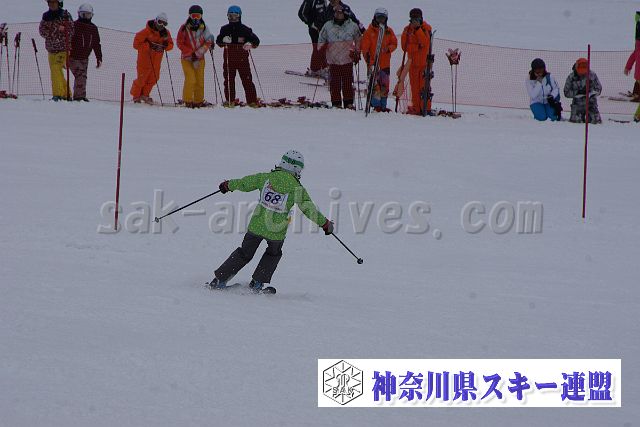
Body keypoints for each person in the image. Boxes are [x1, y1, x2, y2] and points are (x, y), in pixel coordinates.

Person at [208, 151, 333, 293]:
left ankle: (220, 279)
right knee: (273, 254)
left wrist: (228, 185)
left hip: (256, 226)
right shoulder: (297, 189)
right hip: (276, 232)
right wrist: (325, 223)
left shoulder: (265, 178)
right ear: (297, 169)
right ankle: (257, 283)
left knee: (244, 253)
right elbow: (308, 209)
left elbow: (245, 183)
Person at [216, 5, 260, 107]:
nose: (233, 18)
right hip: (229, 60)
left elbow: (256, 41)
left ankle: (252, 101)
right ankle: (230, 100)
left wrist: (250, 44)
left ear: (239, 16)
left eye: (235, 16)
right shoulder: (224, 29)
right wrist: (223, 41)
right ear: (227, 16)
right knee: (228, 81)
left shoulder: (245, 30)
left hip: (242, 60)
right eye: (230, 16)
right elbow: (218, 41)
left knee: (247, 80)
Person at [318, 5, 361, 108]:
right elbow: (321, 39)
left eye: (340, 12)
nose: (337, 14)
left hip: (347, 60)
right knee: (334, 84)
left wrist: (357, 51)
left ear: (345, 14)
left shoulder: (353, 26)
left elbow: (358, 39)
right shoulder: (328, 25)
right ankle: (336, 104)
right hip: (333, 60)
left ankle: (349, 104)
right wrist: (322, 49)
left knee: (347, 83)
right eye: (336, 12)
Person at [131, 13, 174, 104]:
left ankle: (145, 95)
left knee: (153, 79)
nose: (161, 25)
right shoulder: (145, 32)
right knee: (141, 79)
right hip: (144, 61)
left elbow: (171, 45)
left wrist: (166, 45)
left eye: (164, 23)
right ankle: (136, 96)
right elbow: (136, 44)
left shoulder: (166, 33)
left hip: (156, 62)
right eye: (160, 22)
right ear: (155, 21)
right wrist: (148, 46)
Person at [177, 5, 215, 108]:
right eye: (193, 16)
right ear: (189, 16)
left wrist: (198, 53)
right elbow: (180, 43)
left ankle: (198, 101)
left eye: (198, 16)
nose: (196, 19)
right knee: (191, 79)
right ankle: (187, 100)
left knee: (199, 81)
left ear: (201, 16)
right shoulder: (184, 28)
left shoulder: (204, 28)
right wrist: (190, 53)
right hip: (187, 59)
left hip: (199, 59)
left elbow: (208, 42)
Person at [361, 8, 397, 112]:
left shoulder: (389, 31)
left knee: (384, 86)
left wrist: (388, 49)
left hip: (385, 64)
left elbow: (394, 43)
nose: (381, 20)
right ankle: (376, 105)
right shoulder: (369, 32)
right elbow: (365, 49)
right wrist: (370, 62)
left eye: (383, 18)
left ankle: (383, 106)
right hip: (373, 64)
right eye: (379, 18)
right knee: (374, 86)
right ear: (375, 18)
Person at [39, 0, 74, 101]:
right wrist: (56, 29)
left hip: (63, 49)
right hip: (51, 49)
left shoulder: (65, 15)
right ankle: (66, 93)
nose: (52, 4)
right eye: (50, 2)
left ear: (59, 3)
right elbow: (42, 31)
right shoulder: (46, 16)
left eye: (54, 2)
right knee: (56, 72)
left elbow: (71, 31)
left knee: (55, 68)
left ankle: (58, 94)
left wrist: (62, 30)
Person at [400, 8, 433, 115]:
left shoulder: (426, 28)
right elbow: (404, 46)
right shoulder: (407, 30)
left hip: (424, 64)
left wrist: (418, 29)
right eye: (413, 18)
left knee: (424, 88)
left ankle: (426, 109)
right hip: (413, 64)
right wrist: (417, 47)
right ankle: (416, 108)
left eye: (416, 18)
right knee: (414, 88)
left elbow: (425, 42)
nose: (414, 21)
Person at [69, 3, 102, 102]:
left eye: (88, 15)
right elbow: (68, 40)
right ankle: (78, 97)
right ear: (79, 14)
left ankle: (80, 96)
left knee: (82, 77)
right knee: (80, 75)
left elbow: (96, 44)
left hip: (84, 58)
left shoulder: (93, 28)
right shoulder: (74, 25)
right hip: (73, 57)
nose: (86, 17)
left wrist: (99, 57)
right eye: (84, 14)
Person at [563, 58, 602, 124]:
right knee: (575, 123)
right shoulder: (571, 77)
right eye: (580, 72)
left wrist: (590, 92)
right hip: (577, 104)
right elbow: (566, 93)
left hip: (591, 103)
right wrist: (577, 92)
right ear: (576, 68)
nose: (582, 74)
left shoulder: (592, 75)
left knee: (596, 122)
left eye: (584, 72)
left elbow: (599, 89)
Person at [298, 0, 329, 76]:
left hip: (324, 28)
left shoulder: (324, 1)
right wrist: (311, 24)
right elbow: (301, 13)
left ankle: (325, 68)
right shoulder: (310, 1)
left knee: (325, 48)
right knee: (317, 48)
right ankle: (315, 70)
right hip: (314, 29)